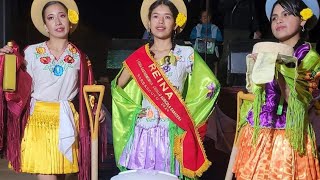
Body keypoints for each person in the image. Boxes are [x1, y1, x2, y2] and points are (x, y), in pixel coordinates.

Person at [111, 0, 220, 179]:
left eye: (167, 17)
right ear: (148, 23)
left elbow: (211, 86)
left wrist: (191, 114)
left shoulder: (186, 54)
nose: (160, 22)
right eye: (156, 16)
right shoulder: (140, 57)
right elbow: (117, 87)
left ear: (175, 23)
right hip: (144, 131)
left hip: (173, 129)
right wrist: (133, 111)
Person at [0, 0, 107, 179]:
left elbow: (88, 89)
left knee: (61, 176)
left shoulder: (79, 57)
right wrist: (6, 60)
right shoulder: (31, 53)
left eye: (62, 16)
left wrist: (97, 107)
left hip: (67, 119)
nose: (58, 22)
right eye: (51, 18)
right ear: (45, 26)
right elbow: (13, 85)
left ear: (70, 20)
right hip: (40, 121)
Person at [232, 0, 320, 179]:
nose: (278, 20)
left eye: (286, 14)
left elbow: (298, 102)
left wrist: (279, 70)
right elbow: (257, 93)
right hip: (259, 131)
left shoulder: (309, 57)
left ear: (303, 20)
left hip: (287, 136)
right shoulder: (267, 52)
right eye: (274, 17)